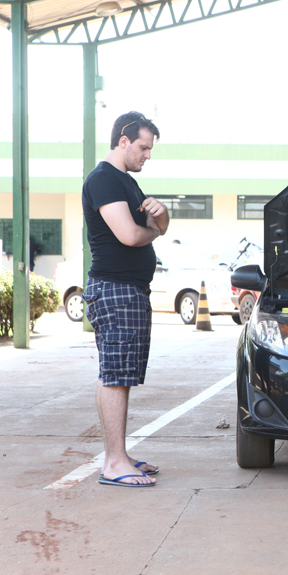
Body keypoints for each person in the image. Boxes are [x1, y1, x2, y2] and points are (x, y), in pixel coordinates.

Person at [81, 111, 169, 488]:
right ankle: (114, 463)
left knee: (122, 375)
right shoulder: (104, 180)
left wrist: (161, 217)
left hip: (129, 291)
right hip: (114, 290)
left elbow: (155, 229)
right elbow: (131, 236)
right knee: (115, 376)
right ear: (123, 139)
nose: (147, 155)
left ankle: (121, 454)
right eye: (143, 147)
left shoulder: (127, 183)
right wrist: (152, 230)